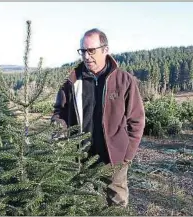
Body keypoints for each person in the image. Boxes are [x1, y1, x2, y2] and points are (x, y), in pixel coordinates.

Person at [51, 28, 145, 207]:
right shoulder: (72, 82)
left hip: (114, 158)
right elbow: (59, 112)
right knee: (83, 204)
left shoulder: (124, 80)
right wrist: (58, 131)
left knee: (116, 204)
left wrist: (127, 155)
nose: (86, 56)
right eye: (83, 51)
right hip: (80, 157)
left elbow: (137, 120)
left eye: (91, 51)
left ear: (105, 50)